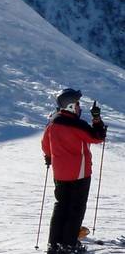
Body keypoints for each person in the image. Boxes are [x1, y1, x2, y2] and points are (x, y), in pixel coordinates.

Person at [41, 88, 106, 253]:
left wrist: (49, 157)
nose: (79, 107)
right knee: (75, 208)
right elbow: (98, 137)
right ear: (70, 106)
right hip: (79, 174)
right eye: (77, 104)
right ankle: (69, 244)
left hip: (60, 173)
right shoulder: (76, 124)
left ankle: (54, 244)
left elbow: (45, 144)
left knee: (61, 206)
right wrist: (96, 118)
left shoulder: (53, 121)